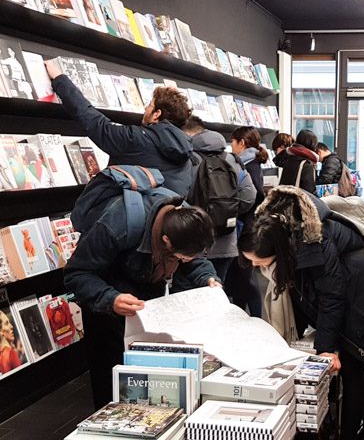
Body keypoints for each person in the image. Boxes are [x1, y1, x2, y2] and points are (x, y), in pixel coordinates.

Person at [238, 186, 364, 440]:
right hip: (353, 293)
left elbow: (331, 296)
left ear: (279, 249)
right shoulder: (283, 228)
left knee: (353, 366)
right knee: (357, 363)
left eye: (260, 261)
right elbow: (304, 291)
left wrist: (325, 348)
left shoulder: (313, 242)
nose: (256, 266)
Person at [64, 193, 220, 409]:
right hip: (106, 306)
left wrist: (208, 277)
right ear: (166, 241)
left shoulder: (185, 218)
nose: (184, 261)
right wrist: (111, 299)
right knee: (111, 377)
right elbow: (76, 273)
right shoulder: (117, 224)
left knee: (146, 371)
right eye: (181, 257)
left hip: (144, 303)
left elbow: (194, 259)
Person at [45, 60, 193, 196]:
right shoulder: (186, 153)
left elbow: (96, 124)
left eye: (149, 105)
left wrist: (60, 79)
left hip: (135, 220)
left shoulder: (139, 138)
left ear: (157, 114)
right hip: (165, 221)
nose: (145, 108)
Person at [182, 116, 256, 283]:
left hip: (192, 242)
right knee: (216, 290)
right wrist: (227, 210)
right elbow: (249, 195)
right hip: (226, 240)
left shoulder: (188, 160)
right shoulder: (233, 160)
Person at [225, 126, 267, 318]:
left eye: (232, 142)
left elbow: (256, 194)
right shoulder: (251, 161)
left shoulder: (248, 164)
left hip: (247, 227)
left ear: (242, 142)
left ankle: (257, 319)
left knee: (245, 277)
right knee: (241, 278)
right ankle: (243, 317)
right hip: (249, 225)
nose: (231, 147)